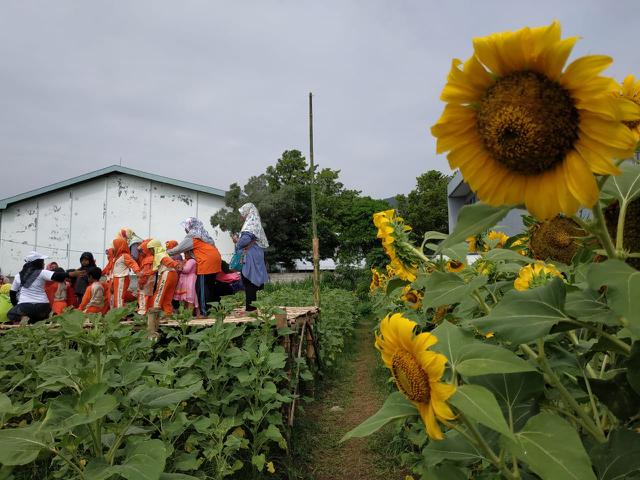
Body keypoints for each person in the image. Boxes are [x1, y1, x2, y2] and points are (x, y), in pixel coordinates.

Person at [8, 252, 85, 323]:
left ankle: (23, 317)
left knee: (11, 314)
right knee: (40, 321)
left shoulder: (18, 276)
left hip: (25, 306)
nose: (44, 263)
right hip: (43, 307)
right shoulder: (42, 272)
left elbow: (12, 293)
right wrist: (71, 274)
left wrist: (17, 306)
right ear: (37, 262)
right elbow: (57, 275)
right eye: (42, 261)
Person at [167, 217, 222, 317]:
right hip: (215, 259)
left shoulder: (192, 236)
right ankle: (215, 310)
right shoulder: (203, 234)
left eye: (186, 227)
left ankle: (204, 312)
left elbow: (177, 249)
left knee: (201, 288)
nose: (185, 229)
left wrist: (163, 253)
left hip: (206, 262)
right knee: (210, 287)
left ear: (190, 226)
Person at [234, 203, 269, 311]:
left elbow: (245, 240)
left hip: (250, 255)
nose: (242, 215)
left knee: (248, 281)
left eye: (243, 212)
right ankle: (252, 307)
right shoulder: (255, 222)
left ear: (247, 212)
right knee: (251, 281)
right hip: (256, 253)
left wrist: (237, 241)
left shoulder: (250, 224)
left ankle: (250, 309)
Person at [146, 239, 181, 316]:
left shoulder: (159, 254)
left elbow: (167, 261)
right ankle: (168, 314)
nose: (150, 252)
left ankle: (154, 315)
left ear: (154, 248)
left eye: (151, 249)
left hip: (167, 274)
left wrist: (176, 264)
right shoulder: (164, 253)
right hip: (173, 274)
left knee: (159, 294)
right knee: (167, 297)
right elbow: (155, 270)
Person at [110, 237, 140, 308]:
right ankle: (119, 312)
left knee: (119, 297)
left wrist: (137, 271)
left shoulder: (125, 256)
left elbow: (133, 263)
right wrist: (112, 284)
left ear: (119, 246)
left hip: (122, 278)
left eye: (114, 246)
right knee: (117, 296)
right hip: (116, 278)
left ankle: (120, 314)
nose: (112, 249)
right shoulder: (116, 257)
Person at [173, 250, 198, 315]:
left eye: (186, 254)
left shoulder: (191, 261)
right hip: (187, 279)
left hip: (190, 280)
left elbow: (186, 270)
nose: (185, 255)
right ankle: (186, 313)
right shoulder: (187, 261)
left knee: (190, 297)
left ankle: (189, 313)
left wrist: (180, 267)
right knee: (186, 298)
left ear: (190, 254)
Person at [136, 240, 156, 315]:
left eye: (142, 251)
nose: (140, 253)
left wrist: (141, 282)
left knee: (142, 296)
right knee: (149, 297)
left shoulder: (147, 260)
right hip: (150, 281)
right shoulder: (153, 258)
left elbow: (145, 273)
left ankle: (142, 313)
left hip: (145, 282)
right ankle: (149, 312)